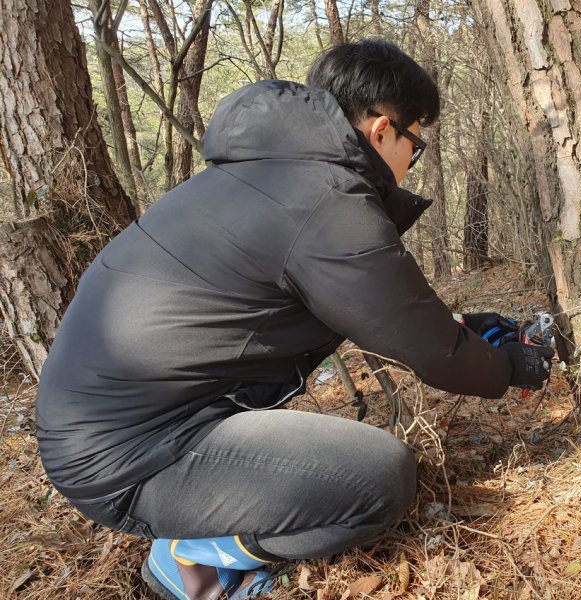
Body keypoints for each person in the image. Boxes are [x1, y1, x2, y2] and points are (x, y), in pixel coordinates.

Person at [35, 39, 554, 600]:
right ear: (383, 130)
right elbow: (427, 348)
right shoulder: (325, 201)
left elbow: (379, 311)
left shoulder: (262, 178)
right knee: (376, 479)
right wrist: (508, 367)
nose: (412, 160)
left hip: (117, 432)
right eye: (416, 143)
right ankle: (194, 559)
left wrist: (465, 328)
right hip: (135, 458)